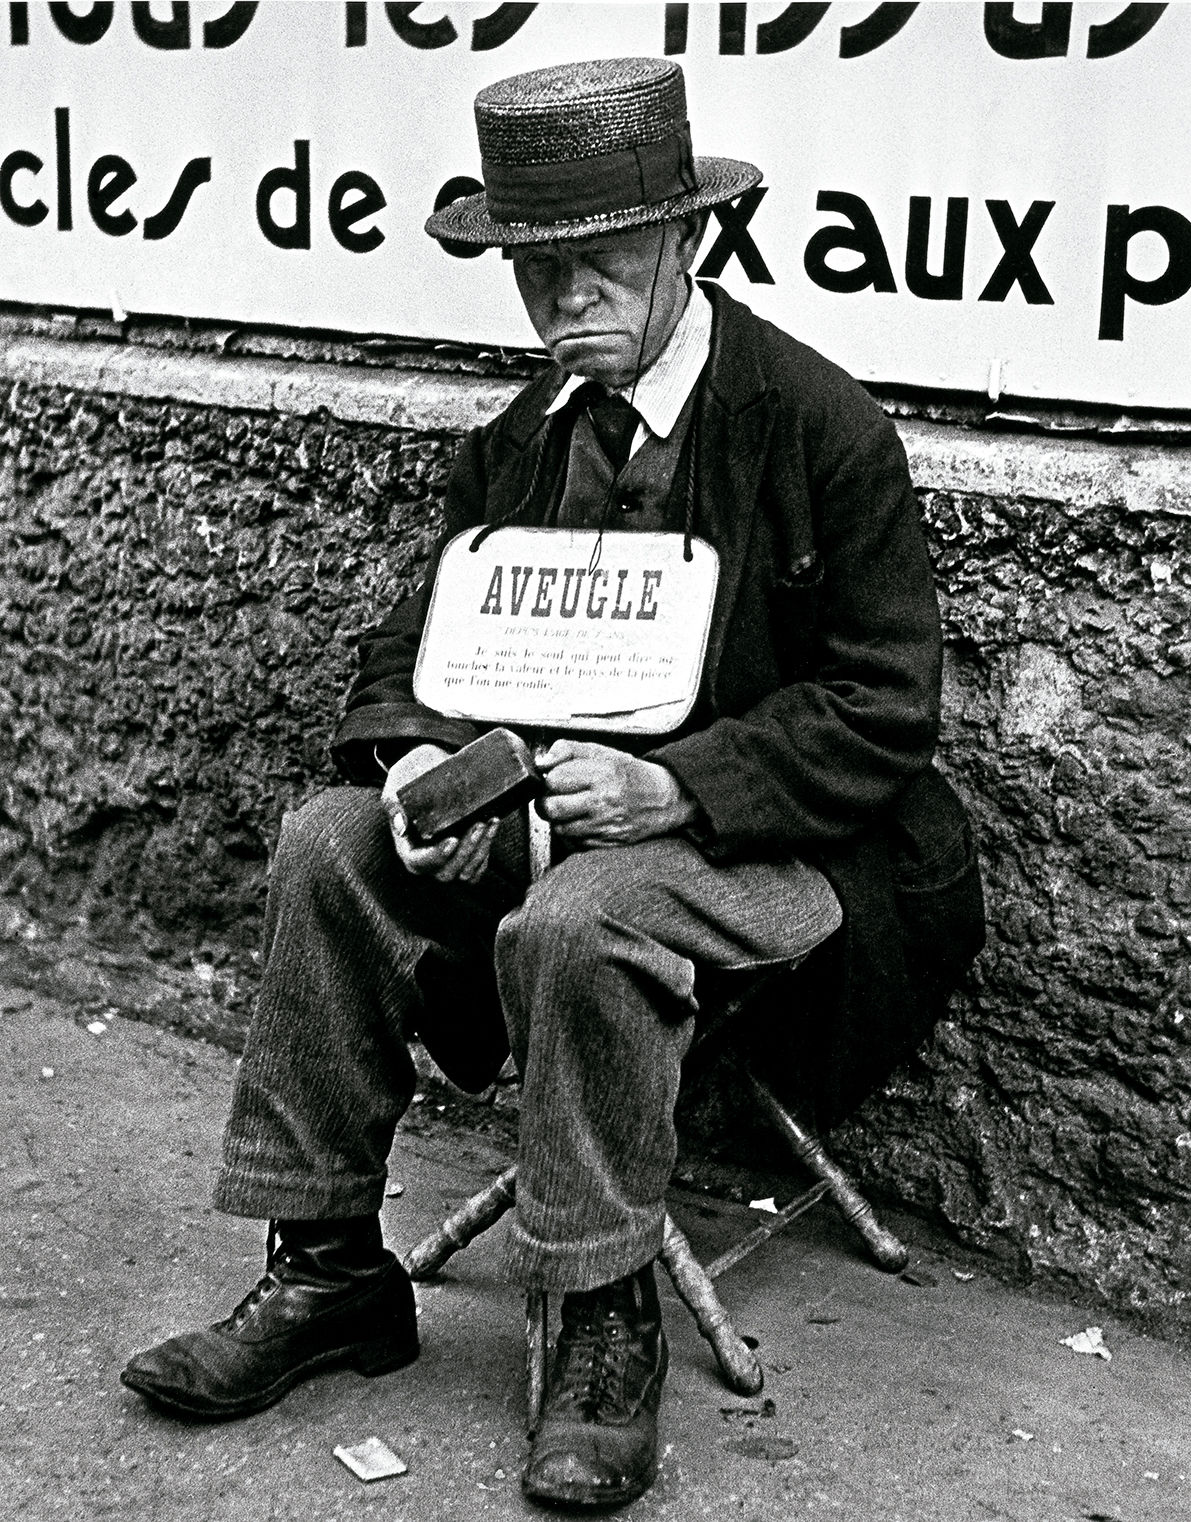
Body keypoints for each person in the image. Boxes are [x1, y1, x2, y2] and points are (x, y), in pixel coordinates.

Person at [121, 57, 983, 1510]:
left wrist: (684, 788)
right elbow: (415, 652)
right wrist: (420, 772)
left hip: (782, 847)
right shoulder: (524, 442)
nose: (565, 302)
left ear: (686, 242)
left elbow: (884, 706)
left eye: (600, 264)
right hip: (545, 837)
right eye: (536, 272)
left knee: (586, 915)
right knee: (331, 841)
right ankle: (329, 1266)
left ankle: (601, 1311)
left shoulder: (815, 426)